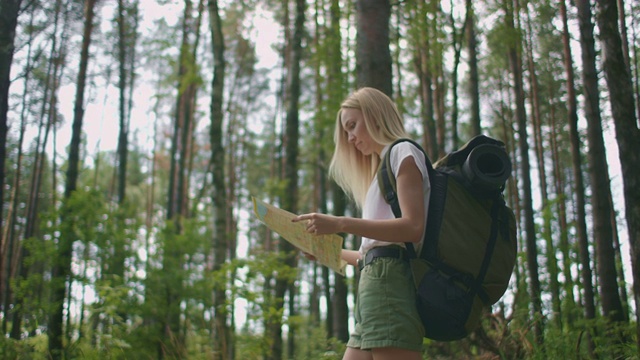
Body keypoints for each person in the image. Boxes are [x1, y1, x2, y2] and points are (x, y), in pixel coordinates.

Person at [292, 87, 430, 360]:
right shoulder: (378, 176)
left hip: (389, 287)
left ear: (376, 115)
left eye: (353, 126)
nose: (351, 137)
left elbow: (413, 228)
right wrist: (325, 253)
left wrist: (341, 223)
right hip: (373, 288)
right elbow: (373, 255)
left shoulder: (402, 151)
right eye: (346, 132)